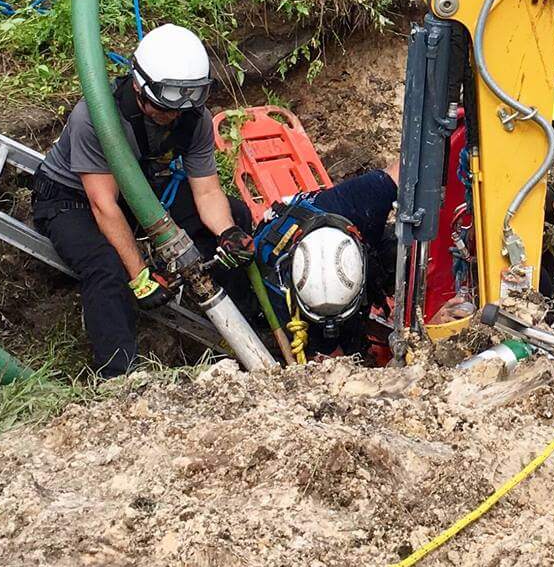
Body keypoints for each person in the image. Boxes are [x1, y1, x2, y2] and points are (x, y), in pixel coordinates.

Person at [31, 23, 250, 377]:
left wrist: (228, 232)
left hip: (136, 191)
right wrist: (140, 275)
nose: (174, 116)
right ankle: (120, 377)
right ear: (139, 87)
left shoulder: (193, 119)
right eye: (165, 107)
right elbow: (104, 205)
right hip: (71, 200)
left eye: (183, 106)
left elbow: (207, 191)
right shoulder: (95, 117)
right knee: (106, 266)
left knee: (236, 214)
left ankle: (237, 330)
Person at [240, 166, 401, 362]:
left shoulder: (356, 202)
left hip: (329, 222)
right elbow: (333, 364)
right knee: (349, 352)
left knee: (399, 249)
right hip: (287, 302)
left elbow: (406, 168)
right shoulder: (284, 304)